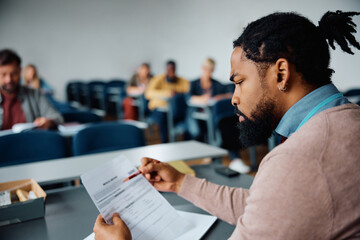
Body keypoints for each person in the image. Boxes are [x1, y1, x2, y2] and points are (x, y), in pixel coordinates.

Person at [93, 10, 360, 239]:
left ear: (281, 73)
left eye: (240, 81)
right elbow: (270, 208)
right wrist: (179, 183)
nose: (234, 97)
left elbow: (281, 196)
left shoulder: (299, 161)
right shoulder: (348, 120)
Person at [0, 49, 63, 130]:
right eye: (3, 75)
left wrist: (48, 122)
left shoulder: (35, 95)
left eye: (13, 74)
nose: (9, 79)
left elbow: (57, 117)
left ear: (20, 71)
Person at [145, 60, 189, 142]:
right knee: (164, 118)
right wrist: (168, 93)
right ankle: (165, 143)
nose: (171, 72)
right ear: (165, 69)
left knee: (186, 117)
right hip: (158, 109)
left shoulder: (181, 80)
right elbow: (148, 93)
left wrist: (176, 93)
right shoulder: (157, 79)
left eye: (173, 69)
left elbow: (188, 90)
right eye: (169, 70)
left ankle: (184, 142)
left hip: (174, 110)